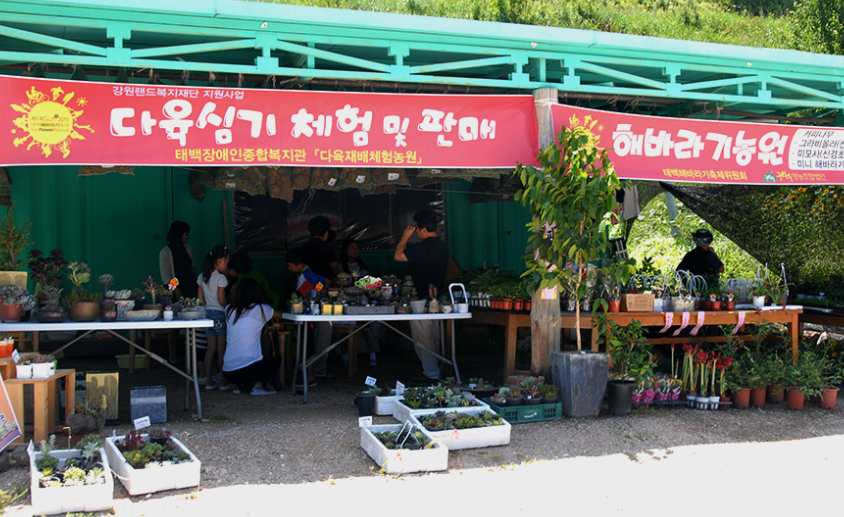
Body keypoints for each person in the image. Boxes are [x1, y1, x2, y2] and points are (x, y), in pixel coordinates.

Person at [394, 210, 449, 382]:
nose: (416, 232)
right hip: (438, 299)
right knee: (435, 336)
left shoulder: (422, 248)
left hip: (422, 301)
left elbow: (398, 256)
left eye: (417, 229)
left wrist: (404, 237)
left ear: (423, 230)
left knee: (423, 338)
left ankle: (431, 373)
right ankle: (437, 370)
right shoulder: (443, 247)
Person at [222, 277, 283, 396]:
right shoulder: (261, 309)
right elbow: (281, 315)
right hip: (250, 370)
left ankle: (239, 385)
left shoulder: (229, 309)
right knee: (275, 360)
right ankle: (258, 386)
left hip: (228, 372)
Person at [302, 216, 338, 379]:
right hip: (323, 293)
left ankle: (305, 366)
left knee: (307, 331)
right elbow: (335, 272)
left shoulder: (302, 248)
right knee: (324, 330)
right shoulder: (327, 249)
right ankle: (319, 368)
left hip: (304, 294)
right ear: (326, 233)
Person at [159, 221, 198, 364]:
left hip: (190, 287)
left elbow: (192, 266)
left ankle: (192, 355)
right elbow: (166, 277)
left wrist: (196, 281)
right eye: (185, 234)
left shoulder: (187, 247)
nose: (187, 237)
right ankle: (173, 355)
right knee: (175, 325)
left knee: (192, 321)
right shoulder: (165, 252)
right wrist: (177, 290)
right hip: (175, 290)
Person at [338, 238, 378, 367]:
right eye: (352, 248)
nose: (355, 250)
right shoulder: (341, 266)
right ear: (345, 250)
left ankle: (372, 355)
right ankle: (345, 356)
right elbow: (338, 282)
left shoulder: (361, 265)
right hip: (346, 300)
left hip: (361, 300)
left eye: (356, 248)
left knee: (365, 328)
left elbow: (370, 283)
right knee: (346, 330)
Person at [198, 245, 229, 390]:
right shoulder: (220, 278)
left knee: (210, 348)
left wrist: (208, 305)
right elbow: (221, 300)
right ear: (221, 260)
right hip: (219, 314)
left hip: (207, 314)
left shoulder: (201, 277)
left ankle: (208, 380)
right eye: (227, 262)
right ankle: (223, 381)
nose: (226, 265)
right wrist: (230, 306)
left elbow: (200, 300)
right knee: (221, 348)